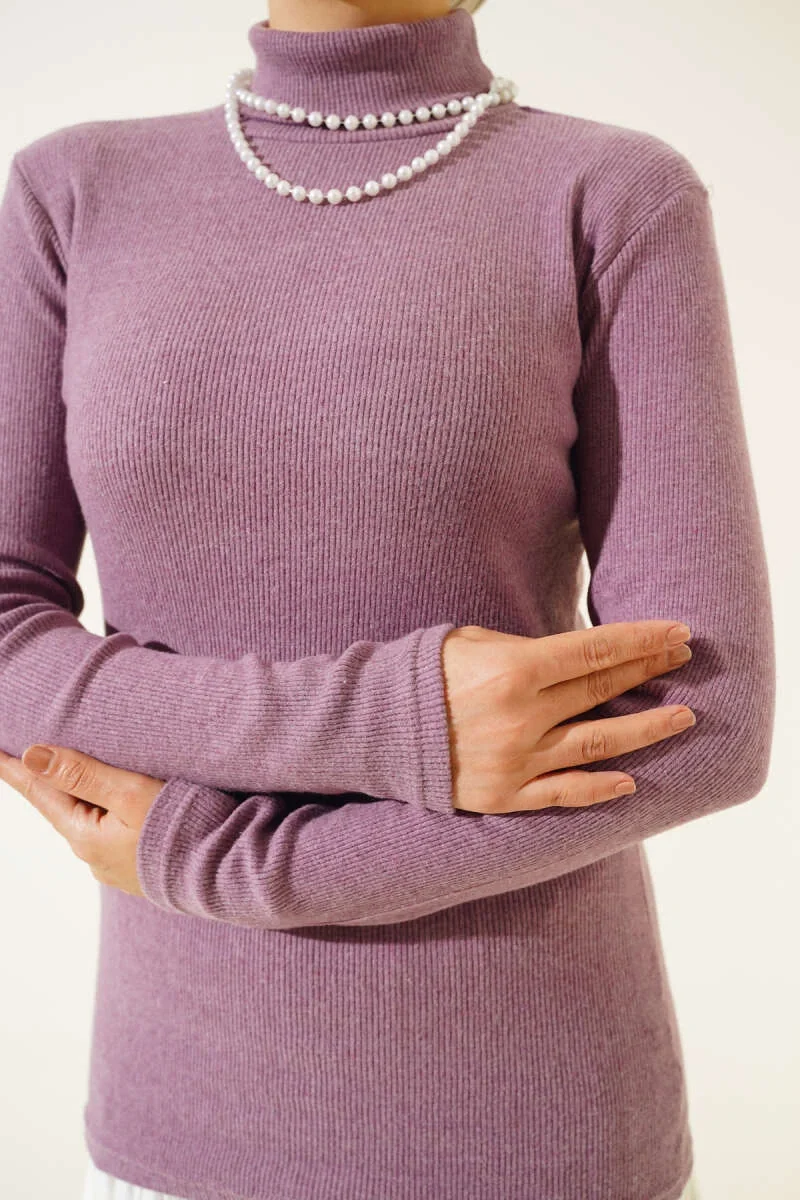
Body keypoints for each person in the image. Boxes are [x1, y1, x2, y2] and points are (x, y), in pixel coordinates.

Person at [0, 0, 774, 1196]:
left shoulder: (611, 194)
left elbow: (706, 724)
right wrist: (387, 721)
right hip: (178, 1117)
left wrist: (231, 863)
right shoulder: (70, 193)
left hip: (528, 1127)